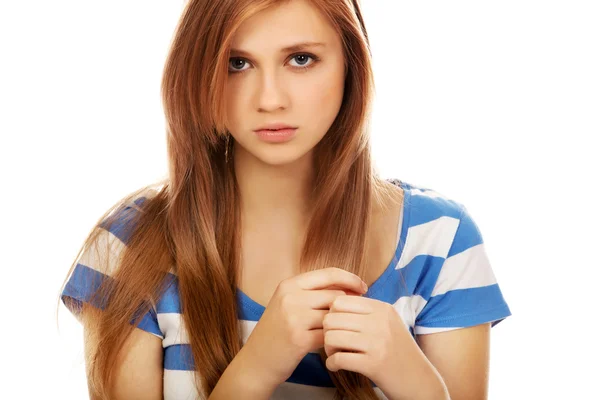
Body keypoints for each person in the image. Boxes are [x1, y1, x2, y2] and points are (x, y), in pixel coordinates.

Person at [58, 0, 512, 399]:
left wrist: (418, 384)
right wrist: (257, 367)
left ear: (351, 64)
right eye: (237, 64)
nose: (270, 99)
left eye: (300, 58)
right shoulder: (129, 246)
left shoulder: (440, 241)